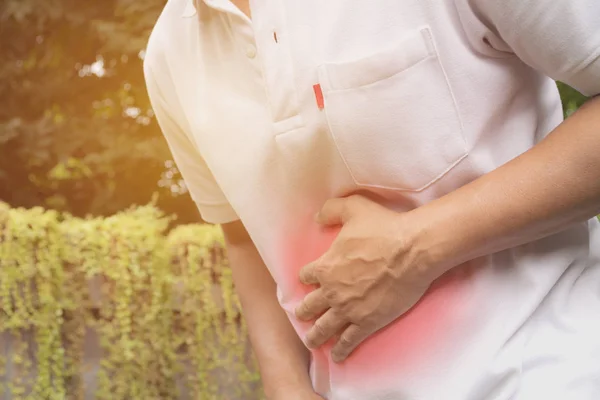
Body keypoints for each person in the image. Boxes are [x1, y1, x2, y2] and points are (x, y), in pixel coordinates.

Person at [143, 0, 600, 399]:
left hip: (550, 369)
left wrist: (415, 246)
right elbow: (242, 230)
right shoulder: (168, 52)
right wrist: (285, 385)